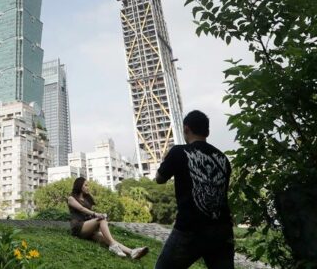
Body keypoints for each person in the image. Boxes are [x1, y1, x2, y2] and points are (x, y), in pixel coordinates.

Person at [155, 110, 234, 269]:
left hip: (190, 229)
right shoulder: (223, 159)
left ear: (186, 129)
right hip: (222, 229)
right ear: (208, 132)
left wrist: (166, 160)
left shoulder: (178, 151)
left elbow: (159, 179)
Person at [67, 177, 150, 260]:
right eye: (86, 185)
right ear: (79, 185)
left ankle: (132, 252)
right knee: (101, 220)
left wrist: (99, 217)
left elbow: (89, 215)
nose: (88, 187)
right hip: (78, 228)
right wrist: (96, 215)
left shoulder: (87, 199)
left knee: (109, 239)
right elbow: (82, 209)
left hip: (88, 229)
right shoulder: (71, 198)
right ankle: (115, 247)